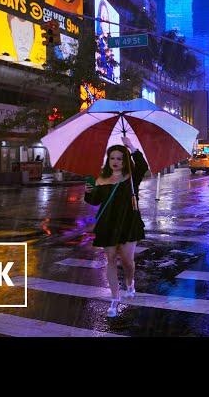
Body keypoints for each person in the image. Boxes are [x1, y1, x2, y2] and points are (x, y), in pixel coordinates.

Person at [84, 136, 148, 318]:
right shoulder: (101, 179)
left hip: (128, 223)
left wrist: (132, 147)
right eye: (112, 158)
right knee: (111, 259)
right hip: (108, 224)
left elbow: (142, 166)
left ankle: (130, 282)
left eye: (120, 158)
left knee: (128, 261)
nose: (115, 161)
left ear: (125, 160)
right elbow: (95, 201)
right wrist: (88, 193)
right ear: (108, 159)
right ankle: (115, 298)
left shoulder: (131, 178)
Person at [95, 0, 116, 81]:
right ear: (99, 22)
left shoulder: (111, 43)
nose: (106, 22)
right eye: (103, 18)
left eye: (107, 19)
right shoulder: (97, 42)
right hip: (99, 81)